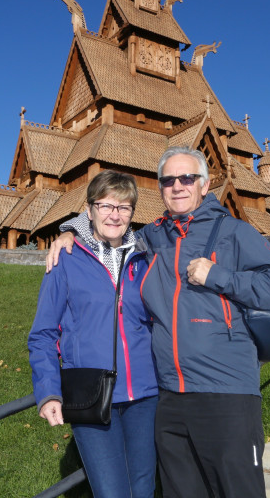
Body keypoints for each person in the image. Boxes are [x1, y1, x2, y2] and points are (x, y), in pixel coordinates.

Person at [47, 147, 270, 498]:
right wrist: (69, 231)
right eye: (168, 180)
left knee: (236, 489)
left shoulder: (235, 232)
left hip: (226, 391)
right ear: (160, 187)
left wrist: (221, 276)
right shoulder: (152, 238)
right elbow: (109, 224)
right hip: (169, 396)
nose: (178, 186)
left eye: (188, 178)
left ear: (205, 184)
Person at [28, 170, 158, 498]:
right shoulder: (66, 259)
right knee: (111, 492)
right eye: (106, 205)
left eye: (124, 207)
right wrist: (48, 391)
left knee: (143, 489)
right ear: (89, 210)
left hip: (145, 394)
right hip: (91, 393)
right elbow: (42, 333)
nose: (115, 214)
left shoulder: (144, 259)